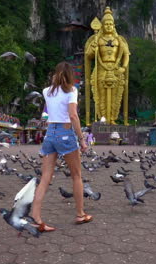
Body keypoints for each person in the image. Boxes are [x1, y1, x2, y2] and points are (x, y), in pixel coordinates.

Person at [31, 62, 92, 233]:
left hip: (50, 133)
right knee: (76, 176)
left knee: (45, 178)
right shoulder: (72, 91)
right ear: (70, 75)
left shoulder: (46, 91)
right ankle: (80, 214)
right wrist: (82, 139)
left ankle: (36, 218)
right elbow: (73, 115)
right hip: (65, 132)